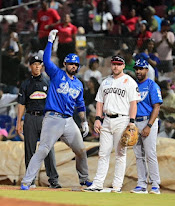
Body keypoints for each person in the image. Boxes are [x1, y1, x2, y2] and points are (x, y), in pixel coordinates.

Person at [20, 30, 92, 190]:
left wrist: (84, 121)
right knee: (44, 149)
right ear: (65, 64)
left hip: (68, 120)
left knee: (81, 150)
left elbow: (80, 105)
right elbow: (46, 59)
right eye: (70, 64)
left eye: (75, 64)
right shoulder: (57, 74)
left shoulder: (79, 84)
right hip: (53, 118)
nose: (73, 66)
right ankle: (27, 180)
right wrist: (50, 41)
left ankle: (84, 179)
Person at [84, 55, 140, 193]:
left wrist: (131, 122)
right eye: (114, 64)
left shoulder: (129, 82)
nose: (116, 66)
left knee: (120, 154)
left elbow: (134, 104)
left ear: (123, 66)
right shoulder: (105, 82)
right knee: (103, 153)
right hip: (107, 120)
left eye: (119, 64)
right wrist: (97, 118)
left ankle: (117, 186)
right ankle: (97, 183)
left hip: (122, 119)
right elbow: (99, 102)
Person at [17, 55, 60, 189]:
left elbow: (54, 101)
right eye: (34, 64)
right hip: (30, 117)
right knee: (30, 149)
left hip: (45, 117)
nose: (37, 66)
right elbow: (21, 104)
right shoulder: (25, 84)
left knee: (48, 149)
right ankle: (31, 179)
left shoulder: (48, 82)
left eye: (39, 64)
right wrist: (19, 121)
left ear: (42, 66)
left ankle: (53, 179)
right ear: (30, 66)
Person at [129, 59, 162, 194]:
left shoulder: (152, 85)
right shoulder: (133, 85)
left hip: (148, 121)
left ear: (147, 70)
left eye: (141, 69)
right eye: (137, 68)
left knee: (150, 154)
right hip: (135, 122)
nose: (138, 71)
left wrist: (149, 125)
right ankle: (142, 184)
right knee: (138, 155)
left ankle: (155, 185)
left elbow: (157, 107)